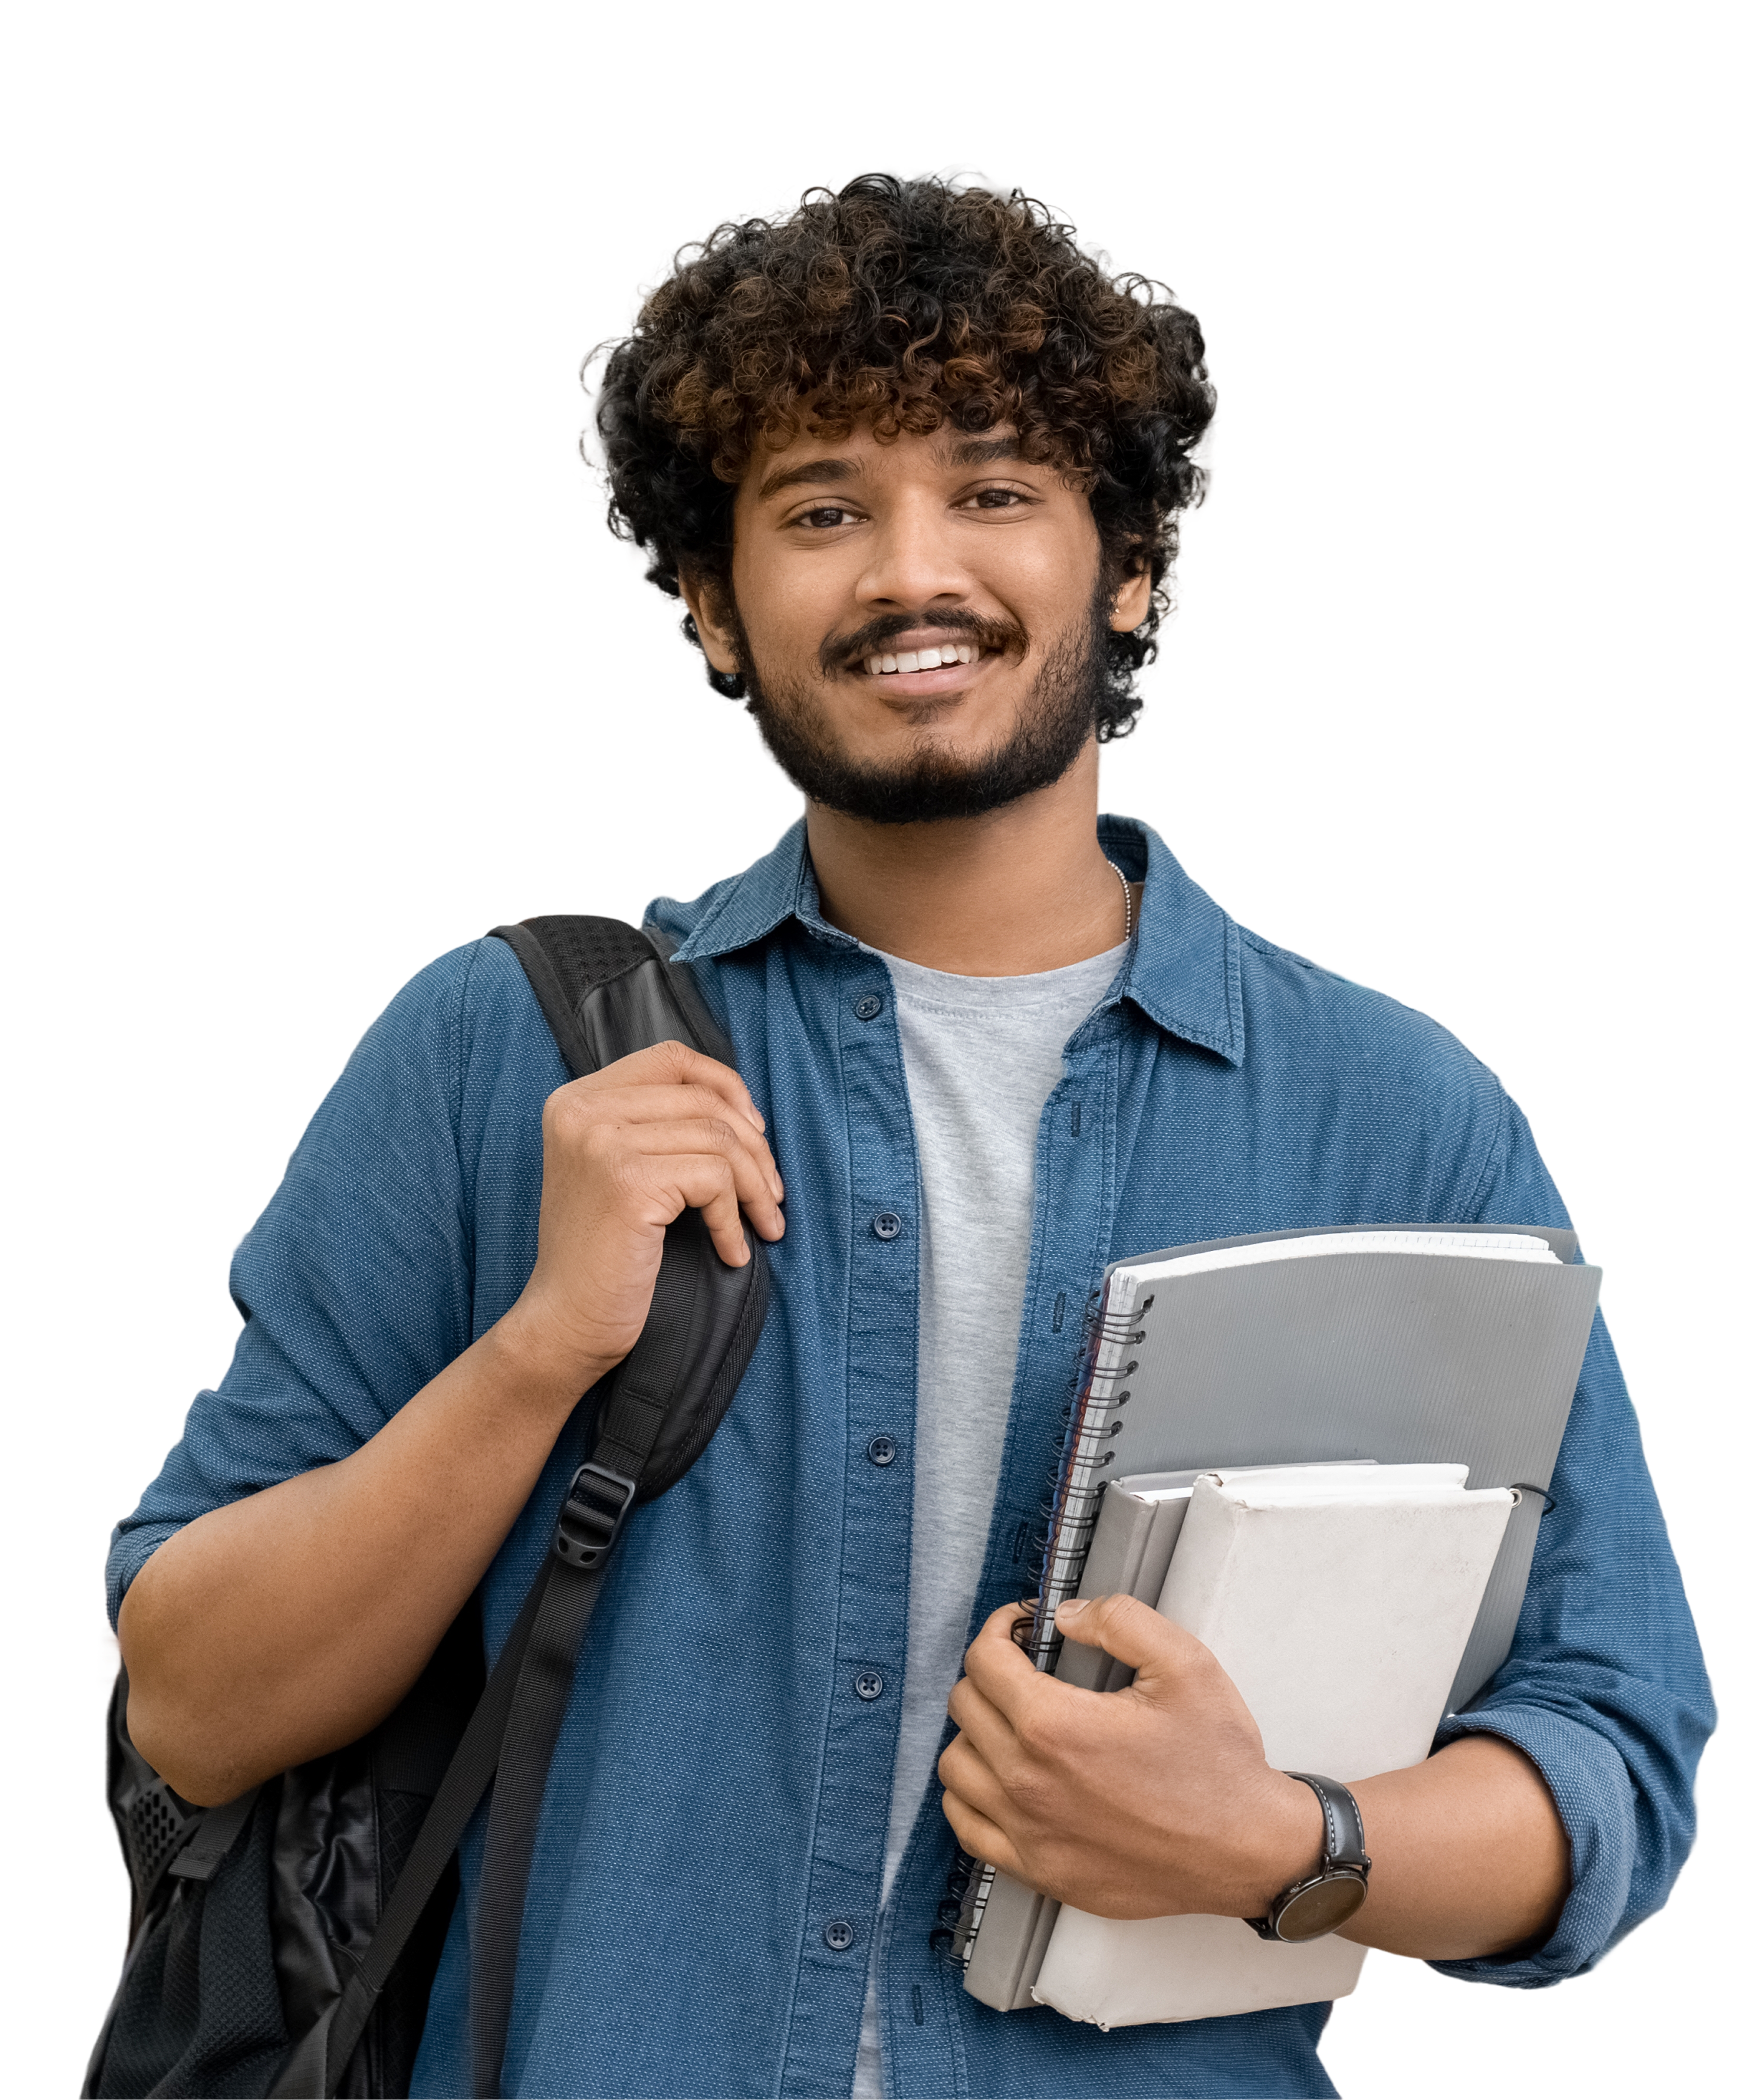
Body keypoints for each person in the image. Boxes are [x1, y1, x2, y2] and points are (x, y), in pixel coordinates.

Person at [108, 168, 1714, 2098]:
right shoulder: (501, 1052)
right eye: (817, 511)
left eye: (992, 489)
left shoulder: (1401, 1119)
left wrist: (1281, 1844)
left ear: (1127, 568)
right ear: (710, 605)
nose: (905, 573)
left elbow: (1613, 1761)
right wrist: (540, 1350)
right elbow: (188, 1705)